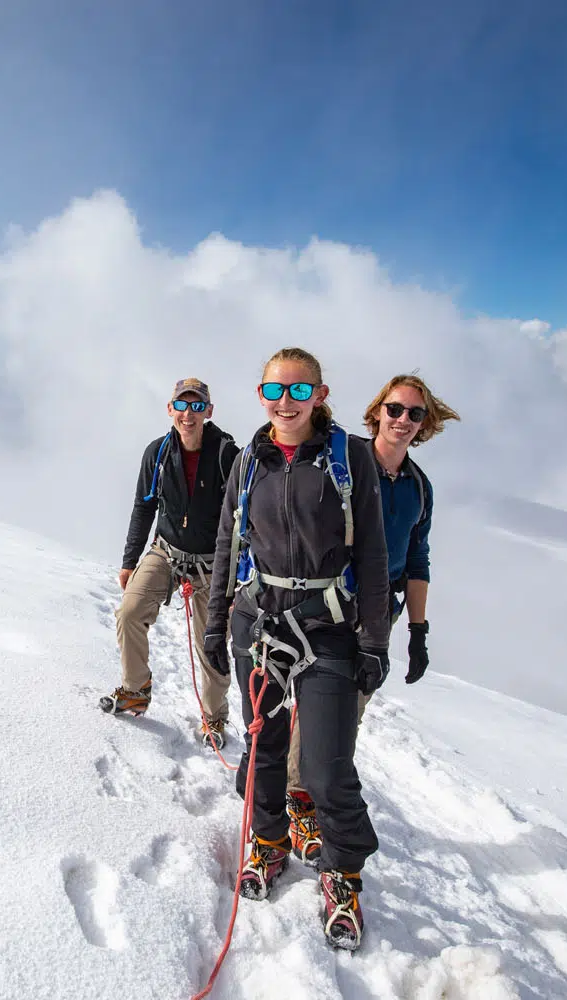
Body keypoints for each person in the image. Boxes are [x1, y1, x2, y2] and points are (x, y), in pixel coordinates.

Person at [202, 348, 390, 951]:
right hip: (259, 623)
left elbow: (375, 556)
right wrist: (215, 621)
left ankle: (342, 871)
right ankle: (269, 839)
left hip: (329, 626)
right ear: (261, 395)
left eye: (299, 392)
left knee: (325, 765)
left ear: (321, 395)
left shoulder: (350, 458)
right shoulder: (248, 462)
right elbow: (229, 541)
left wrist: (374, 642)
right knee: (263, 748)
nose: (286, 402)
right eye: (274, 391)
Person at [281, 373, 461, 869]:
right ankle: (293, 796)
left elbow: (417, 558)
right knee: (315, 708)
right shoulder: (341, 461)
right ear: (377, 411)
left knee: (344, 716)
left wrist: (418, 632)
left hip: (375, 617)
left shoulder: (418, 488)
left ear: (425, 425)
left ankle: (305, 795)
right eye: (395, 409)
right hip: (320, 603)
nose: (403, 420)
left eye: (414, 414)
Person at [102, 378, 241, 751]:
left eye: (197, 407)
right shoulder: (159, 452)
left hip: (213, 562)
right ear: (170, 409)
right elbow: (143, 506)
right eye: (182, 405)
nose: (188, 414)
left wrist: (239, 575)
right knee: (130, 611)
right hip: (166, 550)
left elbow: (245, 520)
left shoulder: (228, 454)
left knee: (211, 642)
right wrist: (130, 560)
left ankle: (214, 718)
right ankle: (134, 690)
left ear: (209, 412)